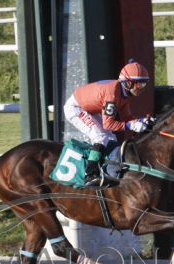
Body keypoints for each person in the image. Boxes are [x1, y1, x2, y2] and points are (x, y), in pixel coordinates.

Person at [64, 59, 151, 187]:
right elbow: (108, 124)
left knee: (111, 137)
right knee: (100, 137)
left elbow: (127, 117)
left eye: (145, 84)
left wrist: (141, 120)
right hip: (76, 108)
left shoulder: (123, 93)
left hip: (87, 108)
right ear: (128, 83)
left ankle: (107, 170)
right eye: (140, 85)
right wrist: (132, 125)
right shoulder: (113, 94)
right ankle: (90, 175)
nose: (143, 89)